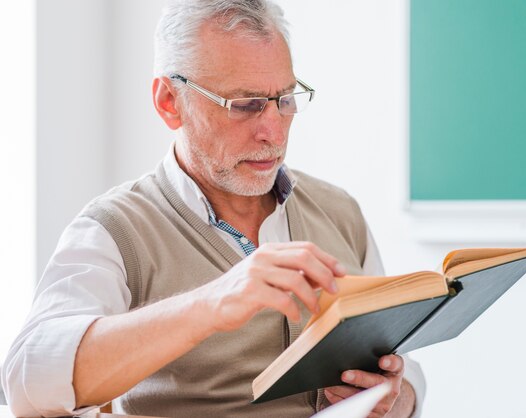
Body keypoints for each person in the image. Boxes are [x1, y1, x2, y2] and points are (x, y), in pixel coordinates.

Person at [1, 1, 426, 417]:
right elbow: (27, 384)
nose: (272, 131)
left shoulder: (339, 212)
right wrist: (209, 304)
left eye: (285, 98)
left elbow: (405, 368)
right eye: (245, 105)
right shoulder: (115, 229)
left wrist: (395, 397)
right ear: (170, 101)